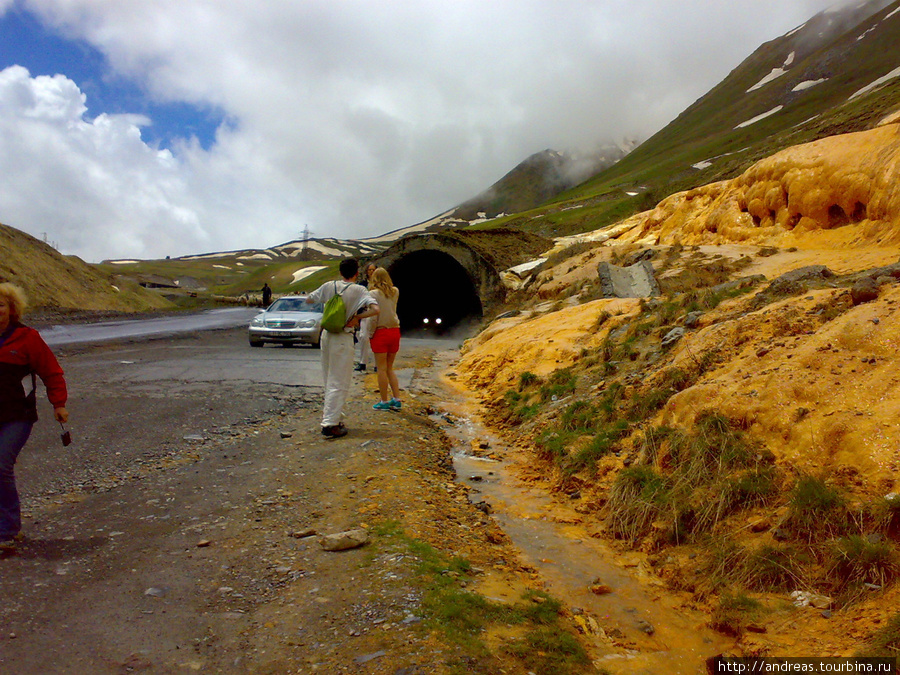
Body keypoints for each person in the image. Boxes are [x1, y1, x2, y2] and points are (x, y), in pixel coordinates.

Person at [0, 283, 69, 551]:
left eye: (1, 305)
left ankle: (7, 531)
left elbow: (51, 371)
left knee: (1, 465)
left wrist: (59, 404)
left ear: (12, 309)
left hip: (17, 416)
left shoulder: (27, 338)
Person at [306, 259, 379, 439]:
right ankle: (330, 424)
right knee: (339, 381)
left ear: (340, 272)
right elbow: (375, 309)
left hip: (326, 336)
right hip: (343, 337)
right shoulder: (359, 290)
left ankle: (333, 417)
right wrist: (358, 317)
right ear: (356, 273)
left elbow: (309, 299)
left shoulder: (329, 285)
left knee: (329, 377)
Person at [367, 268, 402, 411]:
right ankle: (397, 398)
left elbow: (373, 317)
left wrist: (370, 333)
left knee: (380, 369)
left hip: (380, 331)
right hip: (394, 330)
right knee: (389, 368)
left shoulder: (373, 294)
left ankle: (384, 400)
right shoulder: (395, 291)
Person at [354, 263, 377, 372]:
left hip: (377, 313)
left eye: (373, 270)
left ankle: (378, 363)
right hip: (366, 312)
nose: (371, 272)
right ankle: (363, 362)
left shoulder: (380, 284)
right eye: (370, 270)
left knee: (376, 338)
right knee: (363, 336)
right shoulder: (362, 285)